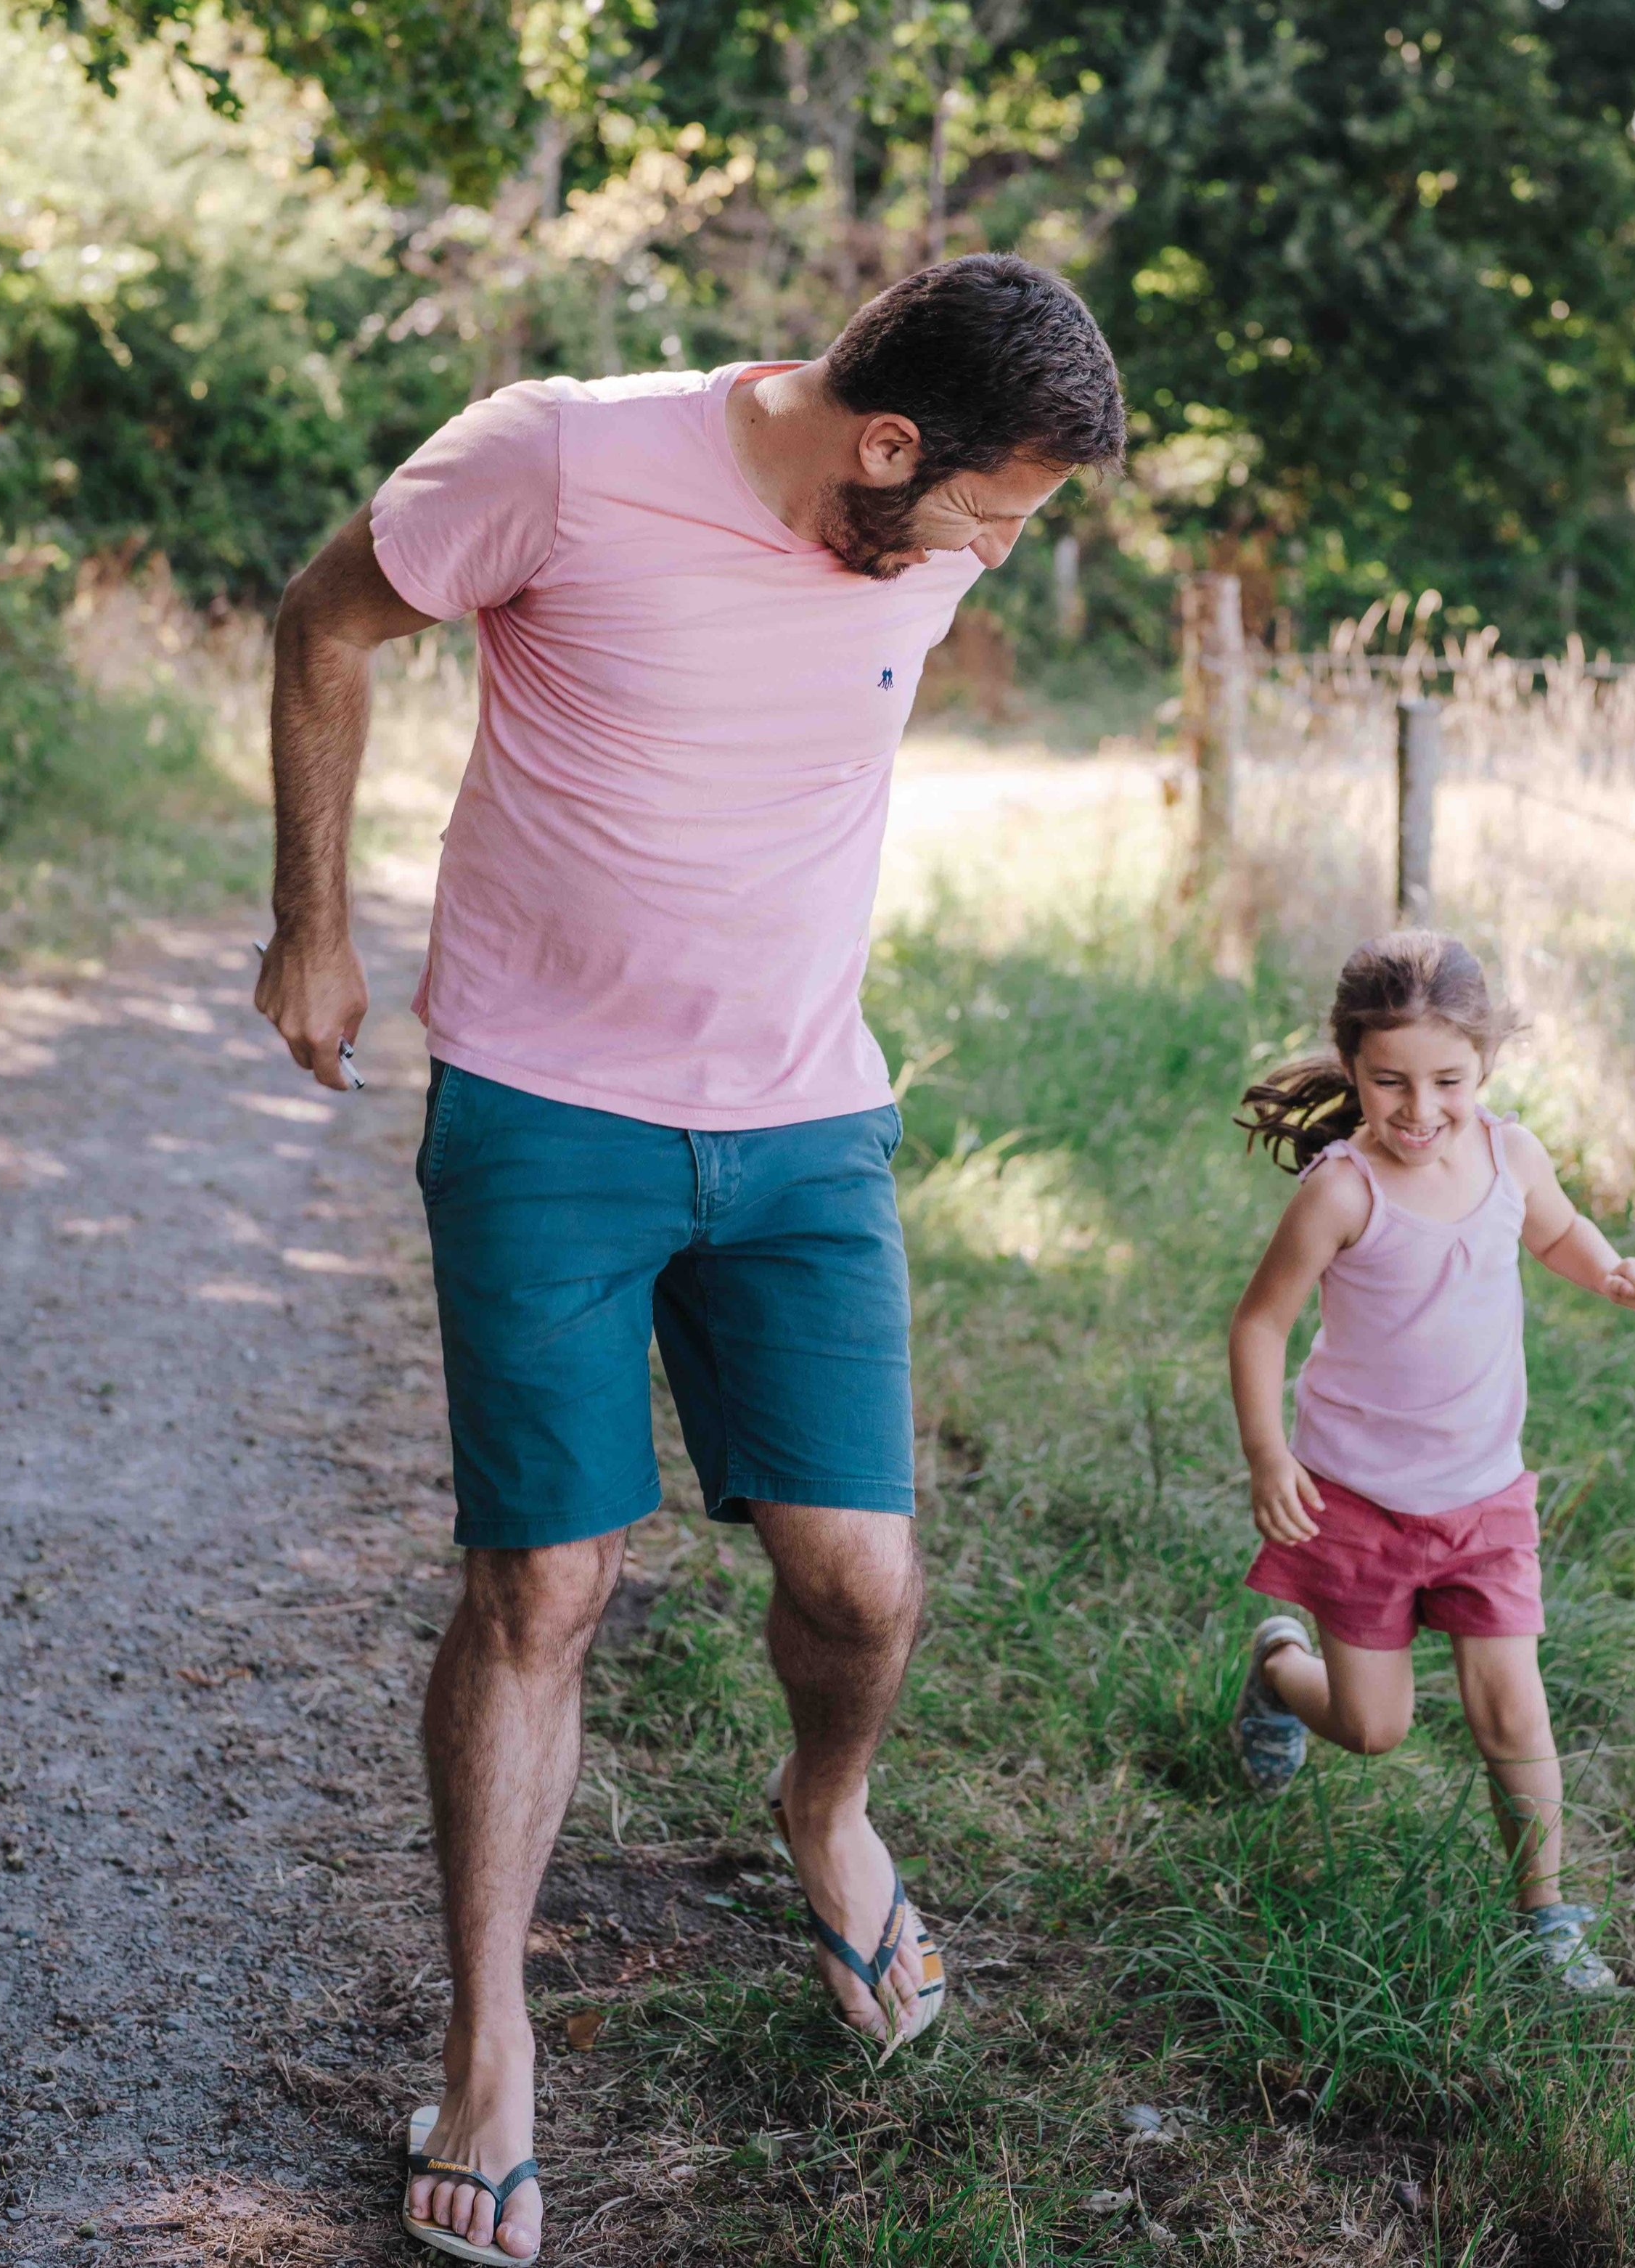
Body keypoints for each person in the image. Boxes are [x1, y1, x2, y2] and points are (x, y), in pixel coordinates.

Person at [253, 253, 1126, 2264]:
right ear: (884, 443)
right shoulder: (560, 455)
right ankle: (487, 2041)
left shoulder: (933, 539)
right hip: (549, 1110)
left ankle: (822, 1811)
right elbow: (326, 615)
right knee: (543, 1581)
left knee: (860, 1579)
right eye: (992, 509)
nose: (994, 554)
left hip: (810, 1121)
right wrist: (309, 917)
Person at [1226, 930, 1635, 1995]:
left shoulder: (1510, 1154)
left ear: (1486, 1068)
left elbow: (1558, 1230)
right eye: (1389, 1082)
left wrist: (1613, 1271)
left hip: (1484, 1493)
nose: (1420, 1109)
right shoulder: (1343, 1193)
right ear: (1351, 1066)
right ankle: (1281, 1674)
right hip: (1359, 1500)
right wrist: (1267, 1455)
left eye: (1448, 1081)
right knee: (1376, 1727)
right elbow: (1259, 1325)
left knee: (1512, 1709)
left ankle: (1548, 1915)